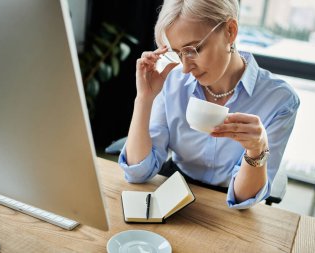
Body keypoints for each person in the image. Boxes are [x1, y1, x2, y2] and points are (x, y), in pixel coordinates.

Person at [118, 0, 300, 209]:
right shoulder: (171, 82)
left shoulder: (280, 100)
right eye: (178, 53)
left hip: (228, 206)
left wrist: (256, 150)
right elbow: (137, 172)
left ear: (230, 31)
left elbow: (242, 199)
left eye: (194, 49)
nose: (185, 68)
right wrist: (144, 99)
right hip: (174, 189)